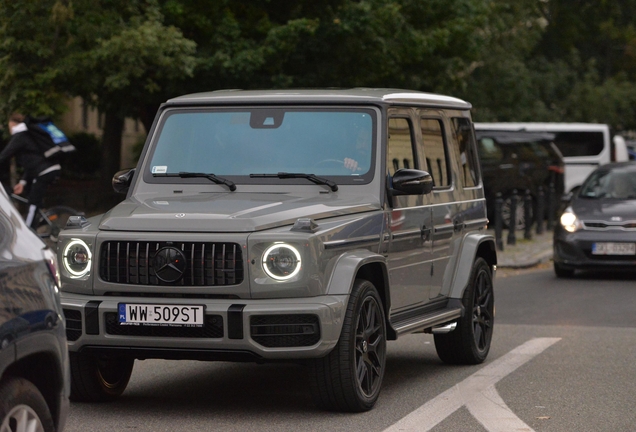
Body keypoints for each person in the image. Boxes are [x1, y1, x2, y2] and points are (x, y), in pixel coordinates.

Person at [0, 113, 62, 228]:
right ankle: (43, 216)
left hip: (45, 171)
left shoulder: (20, 136)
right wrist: (22, 183)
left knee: (33, 203)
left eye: (9, 127)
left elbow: (4, 156)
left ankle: (29, 232)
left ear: (13, 125)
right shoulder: (29, 135)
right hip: (49, 169)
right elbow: (32, 164)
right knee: (30, 193)